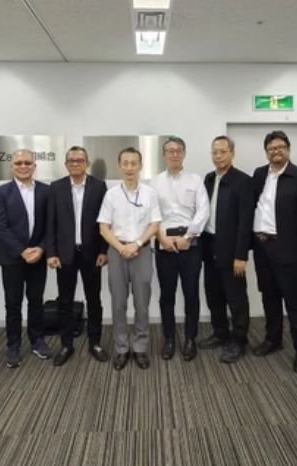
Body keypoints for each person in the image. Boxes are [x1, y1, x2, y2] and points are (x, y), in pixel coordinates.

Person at [251, 130, 297, 375]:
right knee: (269, 296)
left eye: (281, 147)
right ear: (266, 152)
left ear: (288, 149)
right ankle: (273, 340)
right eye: (272, 148)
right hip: (262, 247)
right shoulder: (259, 174)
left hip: (290, 249)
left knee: (294, 301)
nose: (276, 151)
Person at [97, 147, 161, 370]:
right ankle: (122, 348)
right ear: (119, 166)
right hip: (117, 252)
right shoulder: (111, 194)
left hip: (141, 251)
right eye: (125, 163)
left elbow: (155, 224)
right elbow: (103, 228)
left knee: (142, 303)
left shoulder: (149, 193)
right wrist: (120, 248)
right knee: (118, 303)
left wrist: (137, 244)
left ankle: (141, 347)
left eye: (134, 163)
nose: (129, 167)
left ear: (140, 166)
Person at [46, 146, 109, 365]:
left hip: (92, 254)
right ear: (66, 164)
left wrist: (103, 251)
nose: (75, 163)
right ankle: (66, 345)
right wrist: (51, 253)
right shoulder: (56, 188)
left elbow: (105, 222)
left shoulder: (99, 187)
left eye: (79, 160)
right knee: (65, 301)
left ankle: (95, 342)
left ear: (87, 163)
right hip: (65, 254)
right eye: (71, 160)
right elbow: (50, 224)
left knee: (94, 300)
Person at [0, 149, 52, 369]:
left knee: (36, 301)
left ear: (34, 166)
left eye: (28, 162)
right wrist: (21, 251)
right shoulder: (0, 192)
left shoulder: (47, 191)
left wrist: (41, 248)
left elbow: (50, 224)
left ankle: (37, 341)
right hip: (12, 258)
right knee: (13, 304)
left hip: (38, 256)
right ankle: (13, 346)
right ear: (12, 166)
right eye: (19, 163)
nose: (23, 166)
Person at [152, 136, 209, 361]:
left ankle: (190, 339)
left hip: (190, 244)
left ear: (184, 154)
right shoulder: (154, 183)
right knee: (167, 294)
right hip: (164, 243)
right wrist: (162, 238)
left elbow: (203, 211)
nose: (174, 154)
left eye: (178, 150)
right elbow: (151, 214)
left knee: (191, 293)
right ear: (164, 155)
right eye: (170, 151)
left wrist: (188, 236)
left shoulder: (195, 181)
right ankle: (168, 339)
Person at [199, 135, 254, 363]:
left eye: (222, 151)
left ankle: (239, 340)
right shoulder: (209, 178)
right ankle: (220, 333)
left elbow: (245, 221)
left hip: (232, 250)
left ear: (232, 153)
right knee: (214, 295)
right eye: (214, 152)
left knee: (236, 297)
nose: (218, 156)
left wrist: (241, 255)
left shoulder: (243, 181)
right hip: (209, 245)